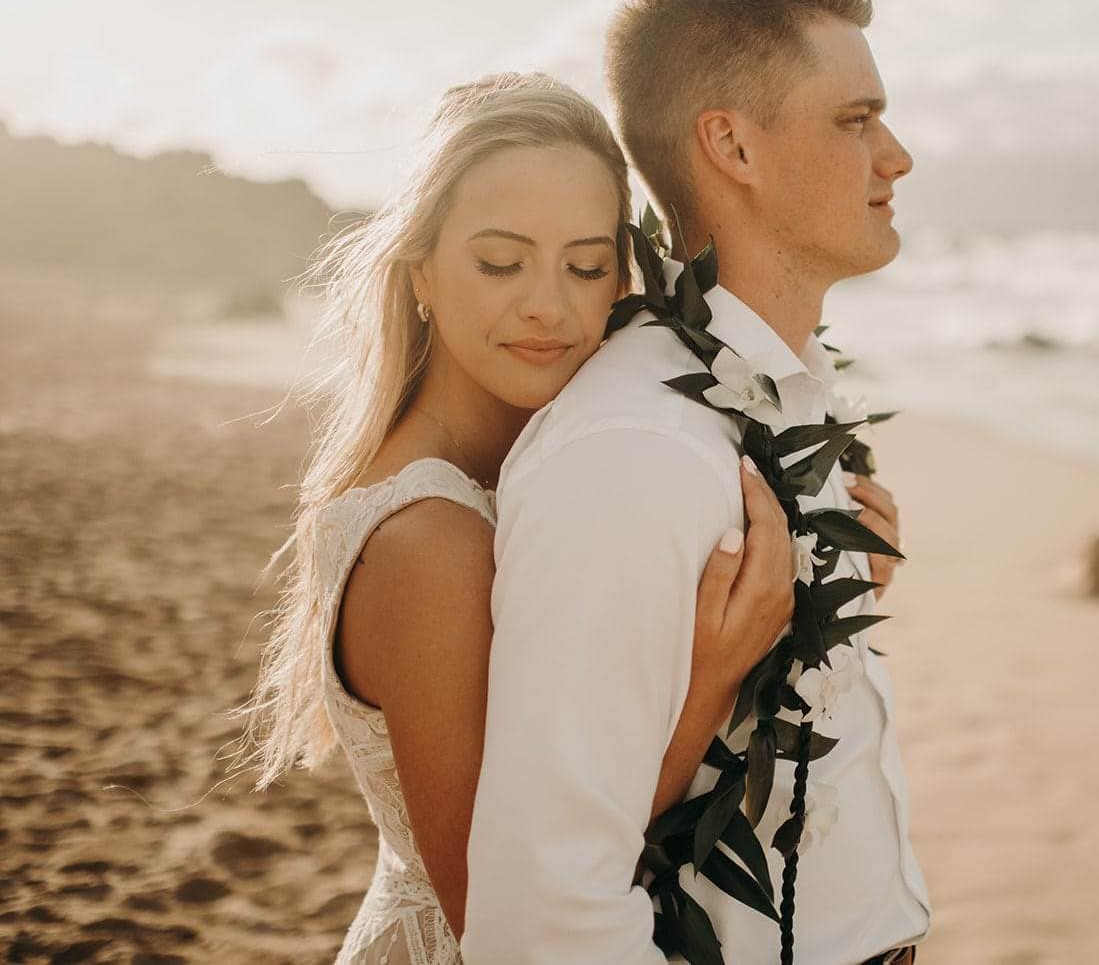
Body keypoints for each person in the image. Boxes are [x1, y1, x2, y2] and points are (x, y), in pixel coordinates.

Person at [230, 72, 906, 963]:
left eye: (587, 266)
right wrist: (710, 678)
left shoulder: (548, 463)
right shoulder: (430, 538)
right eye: (501, 262)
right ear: (420, 269)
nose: (548, 304)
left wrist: (829, 555)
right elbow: (508, 897)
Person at [463, 0, 927, 963]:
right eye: (855, 120)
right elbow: (546, 911)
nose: (895, 156)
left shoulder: (784, 397)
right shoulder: (634, 452)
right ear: (733, 146)